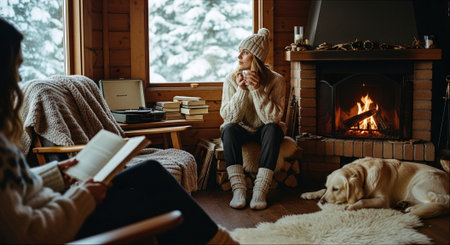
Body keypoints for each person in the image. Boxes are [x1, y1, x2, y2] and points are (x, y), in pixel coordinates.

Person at [0, 17, 238, 244]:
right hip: (66, 228)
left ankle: (212, 240)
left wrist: (52, 174)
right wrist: (83, 196)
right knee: (154, 190)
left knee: (149, 171)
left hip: (57, 207)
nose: (19, 77)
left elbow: (14, 189)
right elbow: (29, 235)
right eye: (15, 67)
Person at [220, 28, 286, 210]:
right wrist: (242, 91)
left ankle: (260, 190)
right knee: (228, 129)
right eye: (239, 51)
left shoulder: (276, 81)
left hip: (265, 130)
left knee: (274, 128)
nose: (238, 56)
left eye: (245, 52)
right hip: (242, 129)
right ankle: (238, 189)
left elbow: (273, 118)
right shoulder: (231, 80)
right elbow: (229, 117)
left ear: (256, 58)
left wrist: (257, 91)